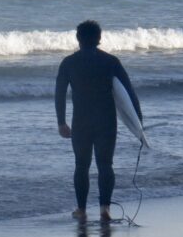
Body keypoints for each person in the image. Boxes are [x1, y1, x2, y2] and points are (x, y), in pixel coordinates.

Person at [55, 20, 142, 222]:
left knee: (81, 166)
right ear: (99, 38)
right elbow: (129, 93)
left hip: (81, 122)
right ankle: (105, 210)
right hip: (106, 121)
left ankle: (82, 210)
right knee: (105, 165)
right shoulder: (111, 61)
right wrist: (139, 124)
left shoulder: (68, 63)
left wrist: (61, 122)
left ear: (78, 38)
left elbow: (59, 94)